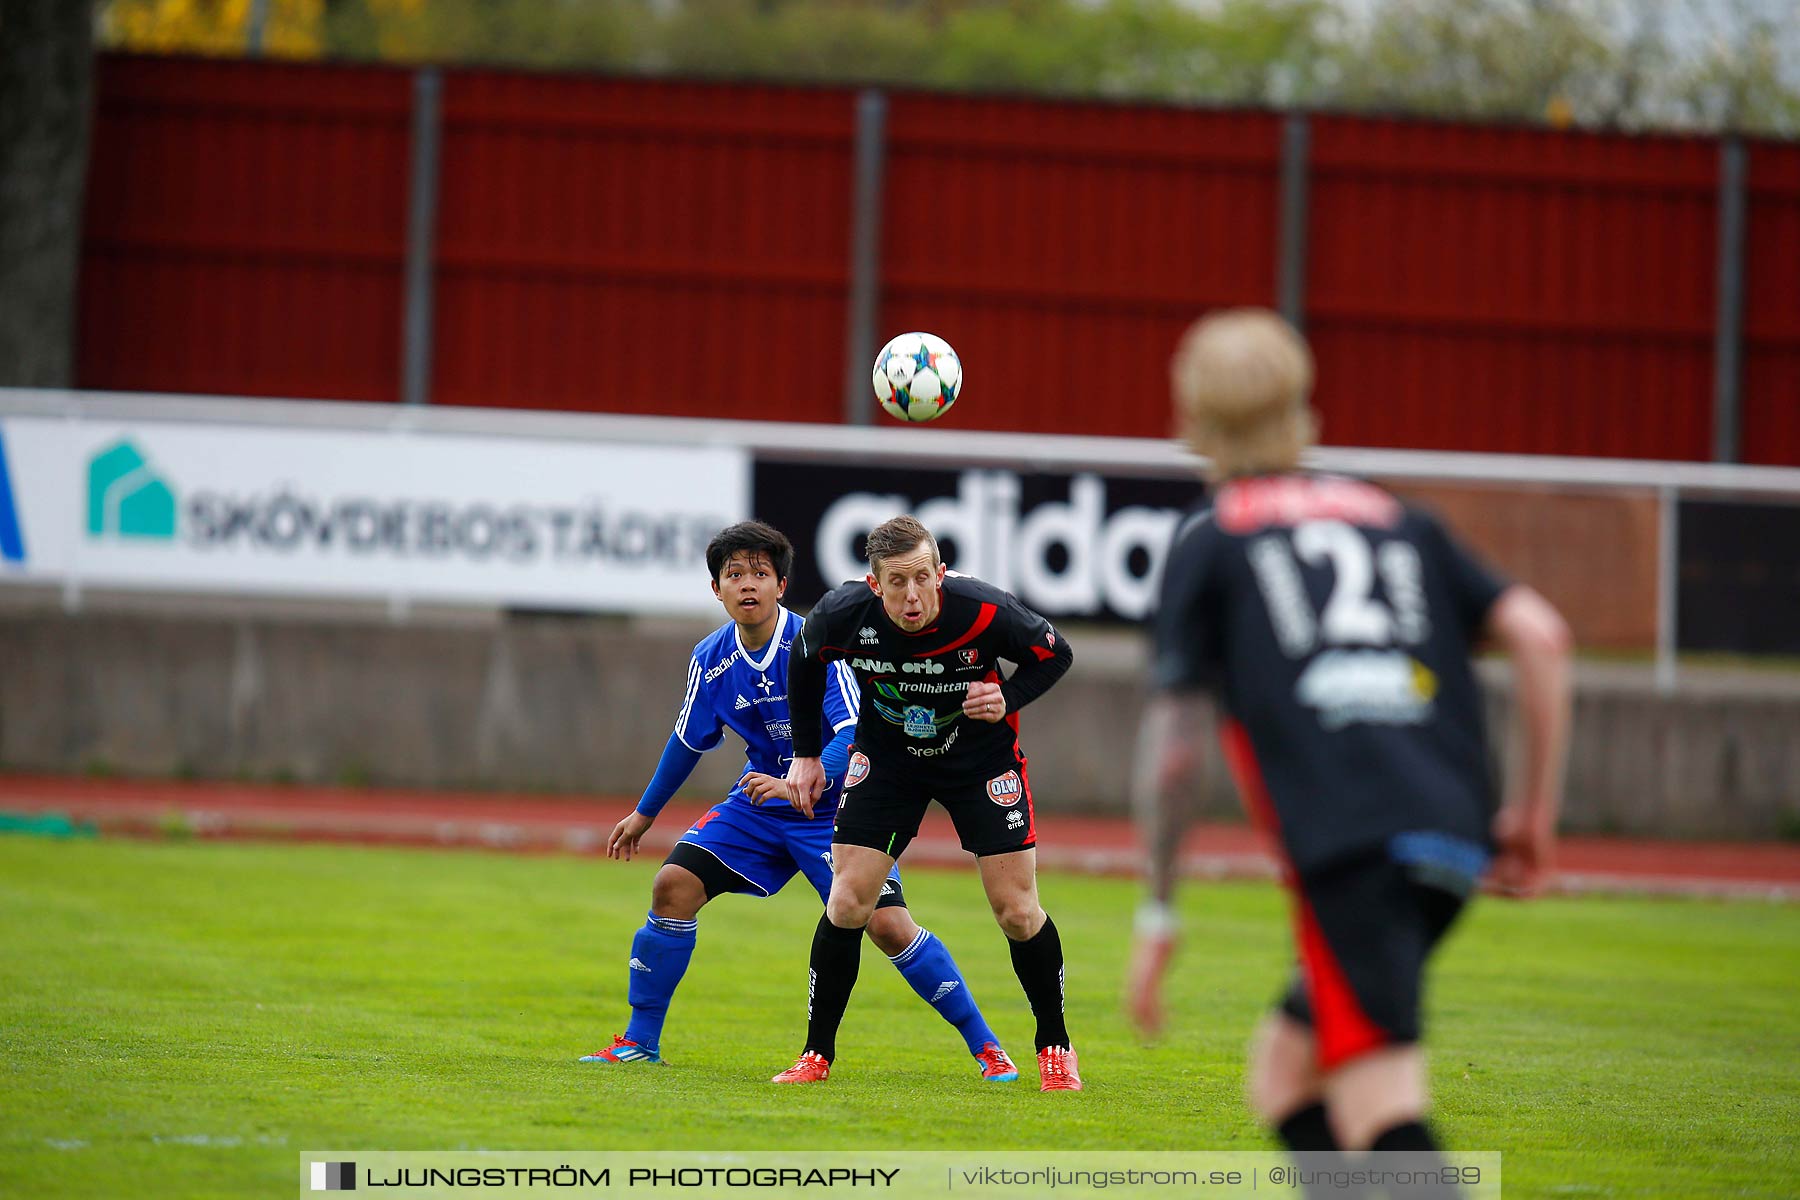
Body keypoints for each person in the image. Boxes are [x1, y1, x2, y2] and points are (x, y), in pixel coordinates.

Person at [1125, 310, 1572, 1182]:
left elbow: (1176, 750)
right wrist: (1534, 815)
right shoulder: (1396, 515)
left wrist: (1160, 910)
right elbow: (1541, 636)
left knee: (1379, 1102)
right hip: (1449, 829)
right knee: (1286, 1076)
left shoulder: (1213, 538)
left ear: (1193, 417)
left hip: (1353, 846)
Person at [582, 520, 1018, 1084]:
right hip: (760, 804)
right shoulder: (710, 658)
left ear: (781, 585)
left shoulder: (817, 642)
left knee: (888, 927)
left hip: (837, 810)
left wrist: (796, 783)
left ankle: (987, 1047)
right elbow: (687, 740)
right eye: (733, 574)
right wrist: (645, 813)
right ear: (716, 589)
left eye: (760, 574)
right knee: (672, 885)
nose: (747, 585)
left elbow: (851, 732)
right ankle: (640, 1041)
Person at [776, 515, 1081, 1091]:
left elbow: (1056, 654)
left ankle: (1055, 1047)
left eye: (922, 578)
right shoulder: (841, 615)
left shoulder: (984, 610)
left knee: (1017, 911)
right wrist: (807, 755)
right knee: (846, 903)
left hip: (980, 763)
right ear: (874, 585)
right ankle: (816, 1056)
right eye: (896, 582)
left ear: (941, 573)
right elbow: (803, 660)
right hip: (888, 762)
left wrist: (1008, 695)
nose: (912, 595)